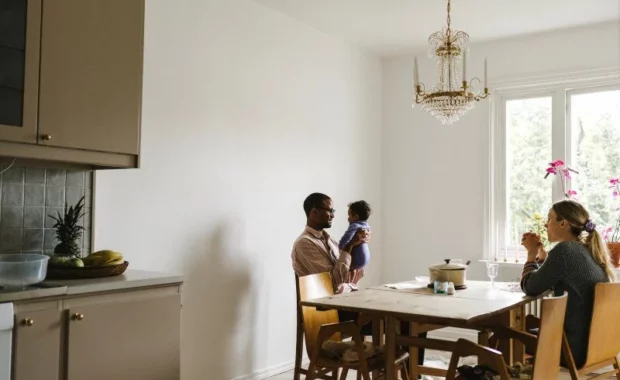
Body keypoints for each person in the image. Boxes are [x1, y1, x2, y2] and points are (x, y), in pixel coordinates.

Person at [291, 192, 426, 368]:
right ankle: (398, 373)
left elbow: (344, 275)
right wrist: (350, 246)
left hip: (344, 301)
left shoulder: (328, 239)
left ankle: (409, 374)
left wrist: (359, 249)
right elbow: (332, 283)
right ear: (314, 212)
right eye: (329, 210)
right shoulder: (304, 243)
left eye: (334, 210)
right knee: (402, 322)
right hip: (328, 310)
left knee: (411, 319)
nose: (333, 214)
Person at [520, 199, 614, 368]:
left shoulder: (565, 251)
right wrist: (541, 256)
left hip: (570, 349)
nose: (545, 224)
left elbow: (530, 287)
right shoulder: (588, 250)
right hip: (596, 346)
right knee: (526, 322)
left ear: (563, 223)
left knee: (503, 332)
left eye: (549, 218)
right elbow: (553, 277)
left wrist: (531, 254)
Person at [339, 200, 372, 271]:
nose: (348, 218)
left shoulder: (355, 225)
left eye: (349, 215)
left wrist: (340, 245)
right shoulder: (367, 226)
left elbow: (347, 236)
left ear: (356, 217)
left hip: (358, 259)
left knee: (347, 266)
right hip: (366, 258)